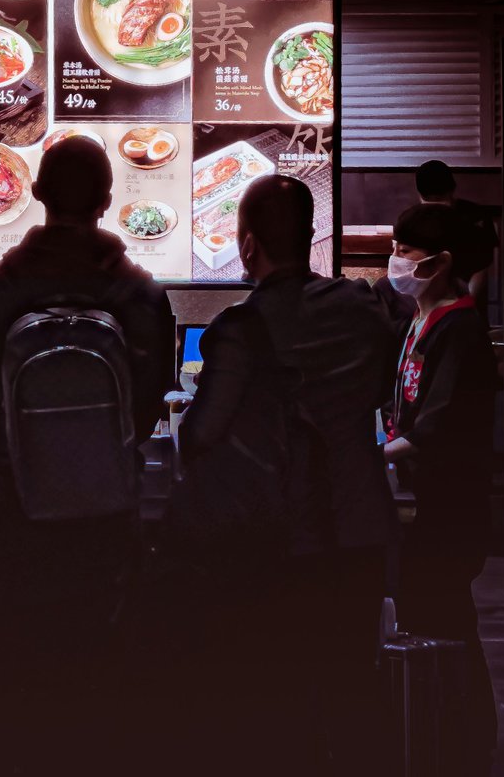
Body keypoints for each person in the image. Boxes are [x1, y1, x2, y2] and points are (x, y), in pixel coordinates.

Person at [0, 137, 175, 775]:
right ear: (108, 200)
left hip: (18, 515)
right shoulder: (140, 294)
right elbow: (149, 403)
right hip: (108, 519)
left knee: (23, 665)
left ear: (35, 194)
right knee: (101, 666)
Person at [172, 175, 399, 776]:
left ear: (246, 246)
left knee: (283, 690)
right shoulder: (363, 308)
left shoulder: (240, 329)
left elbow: (201, 434)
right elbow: (378, 393)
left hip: (283, 536)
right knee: (353, 681)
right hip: (359, 524)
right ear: (311, 235)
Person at [385, 202, 498, 776]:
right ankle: (447, 739)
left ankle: (469, 744)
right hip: (424, 502)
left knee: (448, 621)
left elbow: (437, 425)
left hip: (450, 507)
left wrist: (376, 455)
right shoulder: (421, 317)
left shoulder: (461, 328)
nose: (395, 260)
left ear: (440, 262)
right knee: (433, 615)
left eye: (405, 250)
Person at [415, 159, 498, 311]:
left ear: (451, 191)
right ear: (420, 197)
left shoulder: (475, 216)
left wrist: (469, 305)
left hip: (466, 288)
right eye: (430, 202)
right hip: (425, 290)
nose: (437, 209)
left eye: (441, 201)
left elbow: (481, 268)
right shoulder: (413, 220)